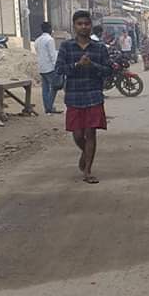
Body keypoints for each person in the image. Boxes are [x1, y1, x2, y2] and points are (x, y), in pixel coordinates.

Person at [55, 10, 111, 184]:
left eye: (86, 24)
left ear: (90, 26)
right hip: (74, 96)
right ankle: (85, 152)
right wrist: (76, 65)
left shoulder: (100, 48)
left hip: (94, 95)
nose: (83, 27)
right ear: (74, 26)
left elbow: (108, 71)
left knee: (91, 133)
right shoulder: (66, 47)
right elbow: (59, 69)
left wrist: (92, 65)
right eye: (80, 24)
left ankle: (87, 171)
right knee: (78, 135)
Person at [34, 22, 62, 114]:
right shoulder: (50, 40)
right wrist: (57, 67)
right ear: (49, 29)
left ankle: (47, 107)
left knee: (45, 89)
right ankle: (49, 107)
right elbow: (52, 55)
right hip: (50, 67)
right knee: (55, 87)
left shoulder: (37, 40)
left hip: (41, 67)